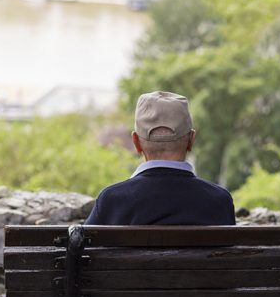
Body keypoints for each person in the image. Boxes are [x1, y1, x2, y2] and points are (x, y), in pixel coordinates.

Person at [85, 91, 236, 226]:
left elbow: (83, 250)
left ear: (136, 142)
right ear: (191, 140)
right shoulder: (219, 200)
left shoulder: (112, 201)